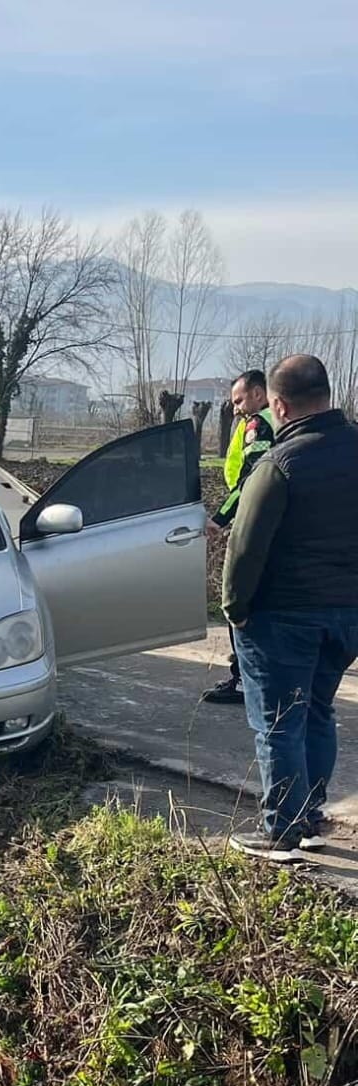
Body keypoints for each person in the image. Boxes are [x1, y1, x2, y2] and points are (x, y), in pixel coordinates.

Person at [223, 354, 358, 862]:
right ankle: (311, 816)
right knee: (318, 713)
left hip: (284, 617)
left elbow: (245, 548)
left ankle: (282, 831)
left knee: (279, 722)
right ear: (326, 393)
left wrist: (236, 611)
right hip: (348, 616)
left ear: (278, 404)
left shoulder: (280, 463)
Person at [202, 369, 276, 704]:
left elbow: (251, 479)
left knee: (239, 599)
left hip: (253, 519)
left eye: (239, 400)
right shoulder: (276, 420)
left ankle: (245, 681)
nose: (235, 408)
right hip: (271, 522)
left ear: (259, 394)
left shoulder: (259, 424)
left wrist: (219, 518)